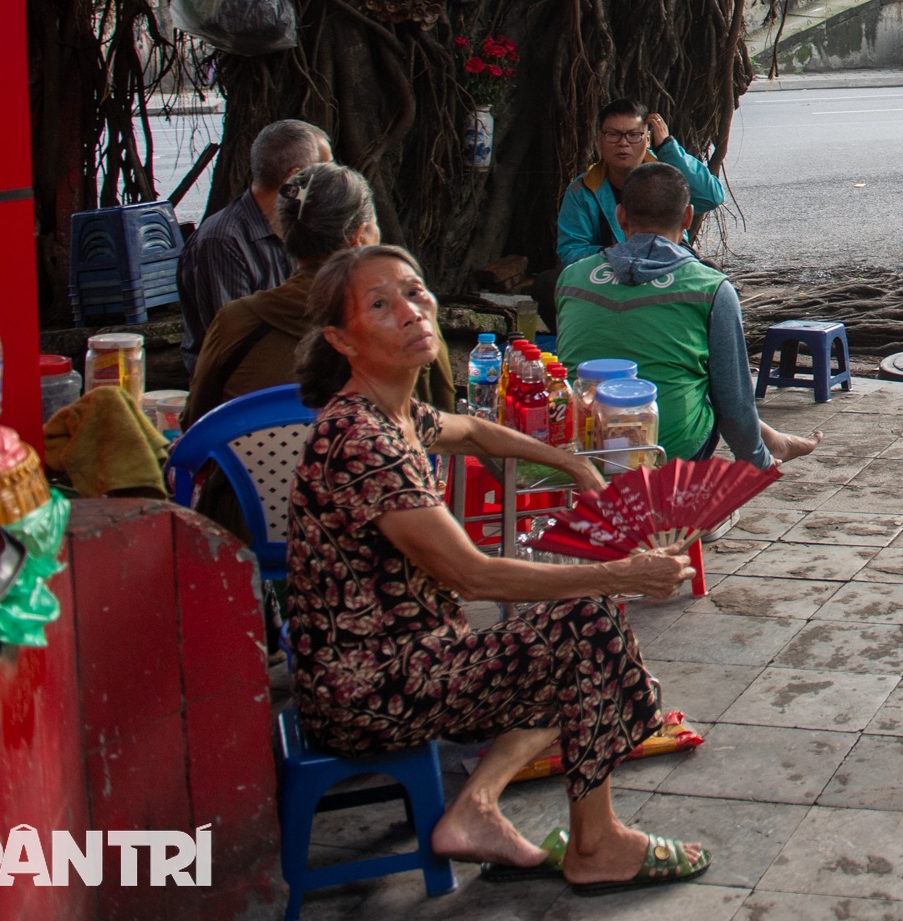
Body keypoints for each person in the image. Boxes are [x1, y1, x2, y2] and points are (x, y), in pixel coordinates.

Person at [285, 244, 710, 895]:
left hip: (412, 657)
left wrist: (570, 460)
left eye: (414, 290)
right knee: (587, 626)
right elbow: (475, 575)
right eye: (381, 304)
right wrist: (621, 572)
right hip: (368, 688)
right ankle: (596, 844)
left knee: (574, 647)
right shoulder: (361, 442)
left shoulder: (394, 414)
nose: (412, 310)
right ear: (342, 338)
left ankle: (475, 807)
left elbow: (476, 431)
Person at [556, 165, 821, 466]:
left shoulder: (572, 278)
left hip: (578, 447)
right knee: (707, 385)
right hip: (666, 453)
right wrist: (756, 462)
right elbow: (734, 406)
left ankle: (773, 439)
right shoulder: (711, 288)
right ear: (687, 218)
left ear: (620, 216)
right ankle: (771, 443)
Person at [183, 162, 454, 428]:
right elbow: (444, 418)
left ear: (284, 234)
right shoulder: (410, 319)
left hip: (245, 473)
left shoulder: (235, 321)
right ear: (358, 237)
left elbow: (195, 423)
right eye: (374, 226)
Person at [178, 119, 331, 374]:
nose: (332, 182)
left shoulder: (302, 226)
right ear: (295, 180)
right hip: (244, 387)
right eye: (325, 172)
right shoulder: (222, 241)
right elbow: (236, 342)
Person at [556, 101, 725, 267]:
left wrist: (668, 148)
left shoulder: (667, 176)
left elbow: (710, 198)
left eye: (634, 135)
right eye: (613, 135)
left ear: (648, 139)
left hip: (668, 268)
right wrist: (621, 253)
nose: (623, 143)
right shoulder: (583, 189)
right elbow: (571, 252)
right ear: (599, 140)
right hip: (611, 275)